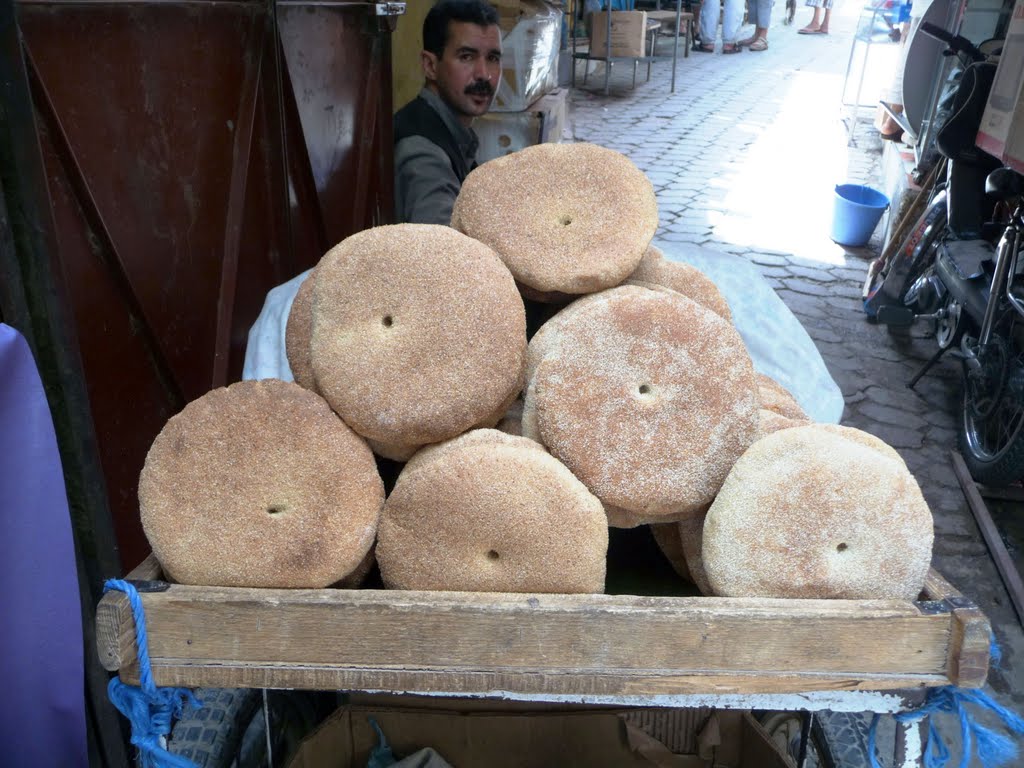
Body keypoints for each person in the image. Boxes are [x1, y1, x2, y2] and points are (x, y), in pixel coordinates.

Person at [393, 0, 502, 225]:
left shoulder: (450, 129)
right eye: (466, 56)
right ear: (430, 65)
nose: (484, 74)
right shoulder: (423, 154)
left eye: (492, 58)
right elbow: (443, 254)